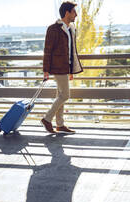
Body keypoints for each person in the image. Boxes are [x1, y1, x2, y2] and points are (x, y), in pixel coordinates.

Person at [41, 1, 83, 133]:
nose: (76, 15)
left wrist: (71, 70)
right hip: (57, 67)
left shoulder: (70, 28)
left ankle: (60, 124)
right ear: (67, 13)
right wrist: (46, 70)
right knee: (65, 95)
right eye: (74, 12)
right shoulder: (53, 29)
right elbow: (47, 50)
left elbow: (70, 50)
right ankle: (47, 119)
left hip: (66, 67)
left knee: (60, 95)